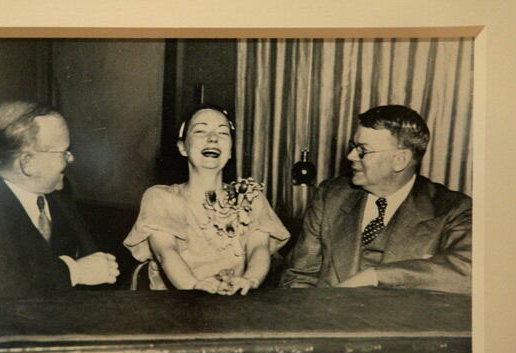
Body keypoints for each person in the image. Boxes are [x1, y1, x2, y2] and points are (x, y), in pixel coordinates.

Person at [280, 105, 472, 294]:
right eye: (352, 146)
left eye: (362, 150)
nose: (350, 156)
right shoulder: (331, 195)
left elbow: (471, 271)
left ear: (400, 159)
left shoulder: (452, 209)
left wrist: (375, 277)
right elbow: (298, 277)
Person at [124, 105, 290, 295]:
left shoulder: (250, 197)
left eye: (223, 133)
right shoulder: (161, 198)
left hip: (232, 304)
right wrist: (194, 286)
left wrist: (250, 280)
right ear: (182, 147)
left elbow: (258, 248)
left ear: (230, 151)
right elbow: (166, 252)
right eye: (201, 131)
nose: (213, 138)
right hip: (176, 305)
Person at [0, 101, 119, 299]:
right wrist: (75, 272)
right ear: (27, 163)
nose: (70, 159)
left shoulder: (60, 196)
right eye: (63, 152)